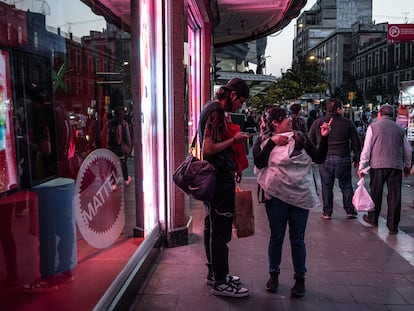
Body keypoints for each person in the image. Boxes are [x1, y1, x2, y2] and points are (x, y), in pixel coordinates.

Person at [253, 107, 332, 297]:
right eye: (285, 118)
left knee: (298, 240)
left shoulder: (300, 138)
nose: (290, 120)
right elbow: (259, 162)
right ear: (275, 123)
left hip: (299, 196)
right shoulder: (263, 141)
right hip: (276, 198)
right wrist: (272, 142)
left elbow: (319, 158)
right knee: (276, 237)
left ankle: (300, 279)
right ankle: (274, 275)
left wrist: (325, 137)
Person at [199, 78, 251, 298]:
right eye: (240, 101)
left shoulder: (210, 108)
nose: (240, 106)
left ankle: (216, 273)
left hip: (215, 178)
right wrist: (235, 140)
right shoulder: (216, 112)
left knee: (213, 226)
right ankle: (220, 281)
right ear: (232, 95)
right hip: (218, 180)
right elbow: (208, 147)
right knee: (220, 231)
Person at [358, 104, 412, 234]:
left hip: (377, 166)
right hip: (395, 166)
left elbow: (367, 149)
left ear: (380, 114)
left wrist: (362, 166)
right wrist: (407, 166)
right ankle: (393, 226)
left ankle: (373, 218)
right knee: (394, 196)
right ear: (392, 115)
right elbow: (408, 150)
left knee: (375, 193)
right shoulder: (399, 129)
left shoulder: (373, 127)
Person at [308, 98, 362, 220]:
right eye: (341, 108)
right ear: (338, 109)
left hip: (324, 159)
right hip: (342, 157)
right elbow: (356, 143)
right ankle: (349, 210)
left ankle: (327, 212)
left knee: (326, 186)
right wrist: (358, 159)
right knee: (346, 185)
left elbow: (309, 140)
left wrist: (313, 156)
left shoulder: (318, 122)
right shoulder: (347, 123)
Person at [107, 106, 132, 186]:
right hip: (122, 149)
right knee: (123, 164)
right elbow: (127, 137)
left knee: (112, 166)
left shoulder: (110, 123)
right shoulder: (124, 124)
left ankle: (113, 183)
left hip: (112, 148)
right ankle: (126, 179)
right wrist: (128, 149)